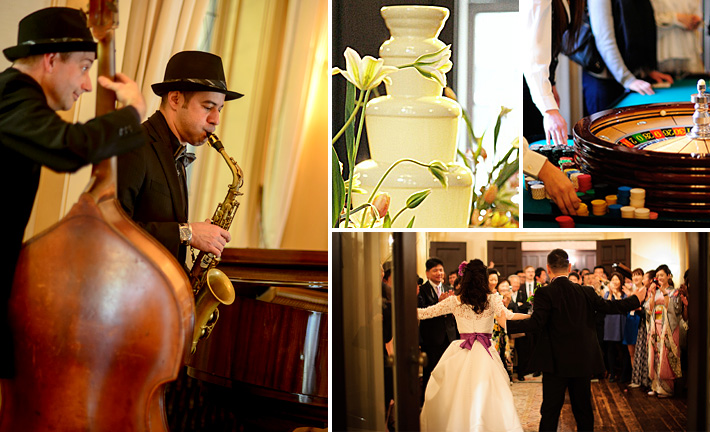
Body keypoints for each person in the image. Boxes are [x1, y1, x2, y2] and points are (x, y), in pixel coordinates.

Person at [1, 7, 147, 378]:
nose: (86, 83)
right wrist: (133, 112)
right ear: (50, 60)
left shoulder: (18, 100)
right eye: (83, 67)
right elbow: (70, 148)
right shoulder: (12, 97)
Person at [117, 51, 243, 270]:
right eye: (207, 107)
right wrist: (188, 232)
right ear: (175, 99)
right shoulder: (134, 144)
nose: (216, 120)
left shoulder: (175, 151)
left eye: (219, 109)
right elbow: (111, 228)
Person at [506, 249, 646, 431]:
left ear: (548, 269)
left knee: (550, 411)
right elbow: (610, 306)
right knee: (583, 410)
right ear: (569, 267)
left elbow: (536, 323)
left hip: (554, 362)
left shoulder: (544, 293)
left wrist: (507, 325)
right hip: (582, 360)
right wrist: (636, 300)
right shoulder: (586, 291)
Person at [417, 259, 529, 431]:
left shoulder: (455, 301)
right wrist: (532, 317)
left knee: (458, 395)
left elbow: (425, 313)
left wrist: (400, 304)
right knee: (487, 394)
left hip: (461, 351)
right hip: (485, 352)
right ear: (484, 279)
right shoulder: (492, 299)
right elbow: (510, 316)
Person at [584, 0, 674, 115]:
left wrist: (646, 71)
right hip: (605, 82)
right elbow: (605, 40)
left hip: (630, 77)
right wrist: (627, 79)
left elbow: (639, 29)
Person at [417, 257, 458, 404]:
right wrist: (439, 304)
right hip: (432, 337)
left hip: (450, 336)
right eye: (435, 270)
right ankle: (429, 401)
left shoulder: (449, 289)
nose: (439, 273)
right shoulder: (422, 290)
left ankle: (446, 399)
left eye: (441, 270)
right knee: (432, 370)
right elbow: (422, 312)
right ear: (427, 273)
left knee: (448, 370)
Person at [647, 264, 682, 397]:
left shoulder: (674, 292)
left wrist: (665, 293)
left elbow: (673, 310)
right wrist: (651, 294)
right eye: (657, 276)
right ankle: (656, 386)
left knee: (666, 356)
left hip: (668, 327)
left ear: (669, 276)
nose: (659, 277)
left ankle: (667, 389)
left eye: (662, 275)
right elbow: (650, 309)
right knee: (656, 355)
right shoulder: (655, 292)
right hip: (656, 326)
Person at [649, 0, 703, 76]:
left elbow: (698, 14)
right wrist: (676, 18)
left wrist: (695, 21)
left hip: (690, 52)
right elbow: (646, 19)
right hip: (665, 53)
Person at [603, 272, 631, 383]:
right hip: (610, 321)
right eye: (613, 280)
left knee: (623, 349)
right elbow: (607, 306)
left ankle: (624, 375)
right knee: (610, 348)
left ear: (621, 281)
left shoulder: (624, 294)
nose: (615, 282)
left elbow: (623, 306)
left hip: (621, 321)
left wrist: (617, 295)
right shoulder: (606, 294)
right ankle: (612, 373)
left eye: (617, 279)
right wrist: (611, 293)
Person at [629, 269, 655, 390]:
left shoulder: (651, 292)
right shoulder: (647, 292)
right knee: (639, 353)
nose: (643, 280)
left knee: (646, 353)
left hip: (650, 325)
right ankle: (639, 379)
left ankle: (648, 381)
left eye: (644, 277)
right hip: (643, 324)